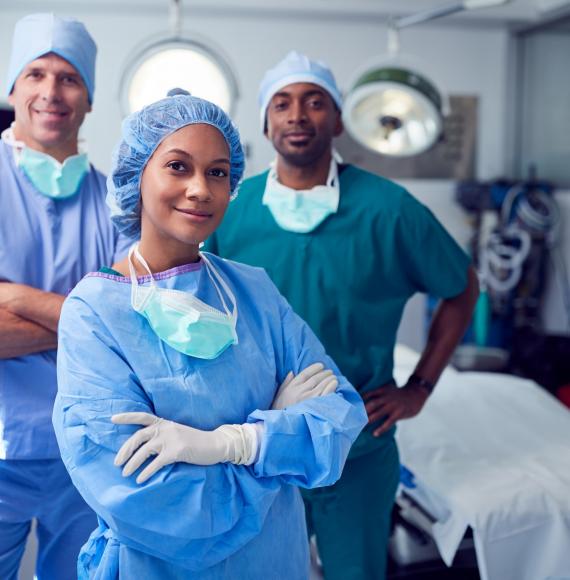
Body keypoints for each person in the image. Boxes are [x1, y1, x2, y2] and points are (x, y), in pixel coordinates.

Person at [52, 90, 368, 579]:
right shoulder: (95, 314)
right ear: (137, 177)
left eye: (218, 172)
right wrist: (273, 445)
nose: (201, 188)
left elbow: (341, 415)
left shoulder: (254, 292)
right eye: (178, 167)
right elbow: (143, 500)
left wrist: (232, 443)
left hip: (275, 561)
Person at [203, 51, 480, 580]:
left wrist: (419, 385)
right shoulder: (231, 209)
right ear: (265, 122)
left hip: (357, 446)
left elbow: (462, 286)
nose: (297, 116)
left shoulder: (389, 210)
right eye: (282, 104)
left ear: (338, 119)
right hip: (261, 444)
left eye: (314, 102)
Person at [0, 13, 131, 580]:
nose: (51, 92)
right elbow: (112, 319)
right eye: (36, 74)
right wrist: (92, 316)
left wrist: (13, 297)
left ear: (90, 97)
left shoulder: (119, 204)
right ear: (13, 88)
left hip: (90, 447)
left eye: (69, 78)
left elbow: (134, 324)